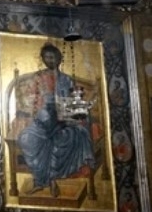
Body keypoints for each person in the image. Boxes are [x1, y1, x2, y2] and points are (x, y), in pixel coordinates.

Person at [15, 43, 96, 197]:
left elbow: (73, 104)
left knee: (61, 140)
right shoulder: (38, 78)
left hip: (63, 122)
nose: (49, 60)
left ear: (59, 59)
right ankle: (40, 180)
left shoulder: (66, 80)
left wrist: (67, 115)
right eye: (46, 57)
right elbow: (30, 101)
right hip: (42, 121)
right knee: (26, 138)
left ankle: (51, 182)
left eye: (52, 57)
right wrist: (38, 112)